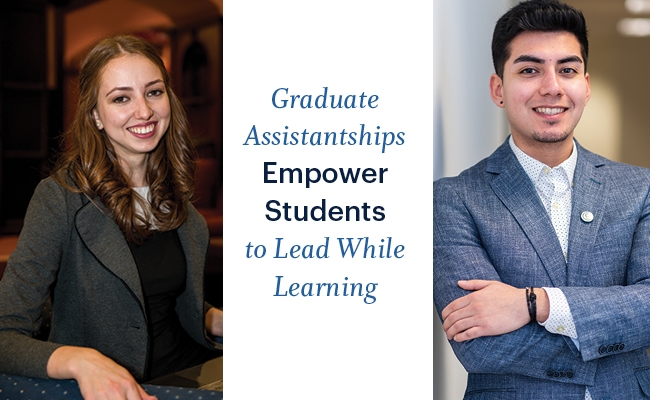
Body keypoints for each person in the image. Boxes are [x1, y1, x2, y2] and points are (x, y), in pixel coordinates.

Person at [434, 0, 650, 398]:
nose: (551, 86)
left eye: (567, 70)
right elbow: (480, 346)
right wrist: (611, 337)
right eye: (529, 70)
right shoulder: (454, 199)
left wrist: (534, 304)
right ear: (499, 89)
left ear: (585, 85)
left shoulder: (640, 189)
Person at [0, 35, 223, 399]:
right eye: (121, 98)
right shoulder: (60, 198)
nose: (144, 111)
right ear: (95, 116)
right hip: (136, 389)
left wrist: (217, 319)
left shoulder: (176, 191)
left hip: (197, 369)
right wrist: (79, 360)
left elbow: (162, 301)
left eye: (153, 92)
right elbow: (3, 333)